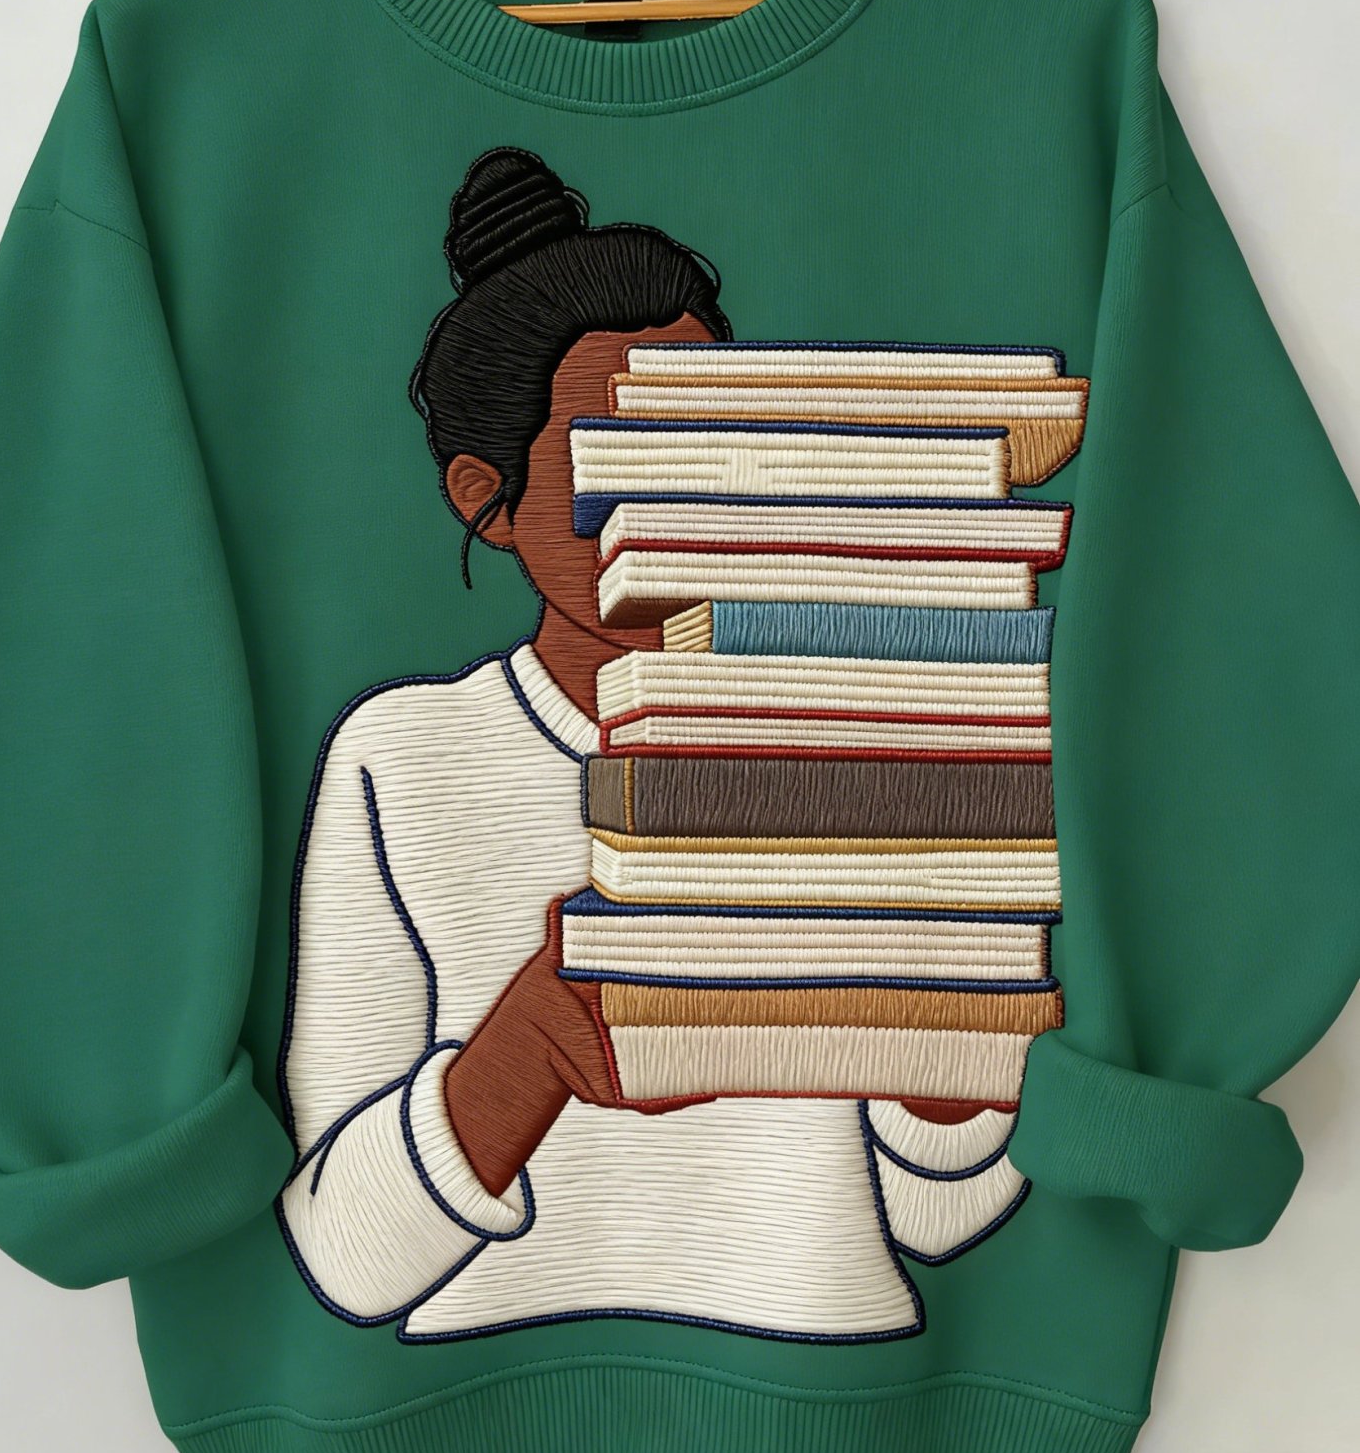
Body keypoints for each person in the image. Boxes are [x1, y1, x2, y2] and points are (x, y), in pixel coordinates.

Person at [277, 147, 1026, 1341]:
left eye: (704, 438)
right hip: (487, 1377)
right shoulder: (402, 756)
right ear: (483, 495)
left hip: (828, 1360)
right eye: (612, 460)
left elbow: (945, 1217)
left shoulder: (842, 719)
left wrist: (931, 1023)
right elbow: (339, 1251)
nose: (671, 503)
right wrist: (528, 1046)